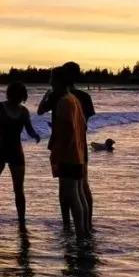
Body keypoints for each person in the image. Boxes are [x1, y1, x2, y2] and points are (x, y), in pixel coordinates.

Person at [39, 62, 95, 230]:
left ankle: (70, 226)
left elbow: (41, 111)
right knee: (81, 187)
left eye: (51, 78)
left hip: (66, 147)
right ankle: (86, 225)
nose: (49, 81)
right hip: (79, 145)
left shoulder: (60, 97)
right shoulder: (81, 97)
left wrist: (46, 96)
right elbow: (84, 124)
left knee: (68, 189)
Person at [0, 81, 40, 225]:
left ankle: (22, 221)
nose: (18, 98)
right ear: (10, 94)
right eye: (16, 95)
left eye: (20, 96)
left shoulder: (24, 111)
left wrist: (35, 135)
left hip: (16, 150)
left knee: (19, 188)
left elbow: (29, 129)